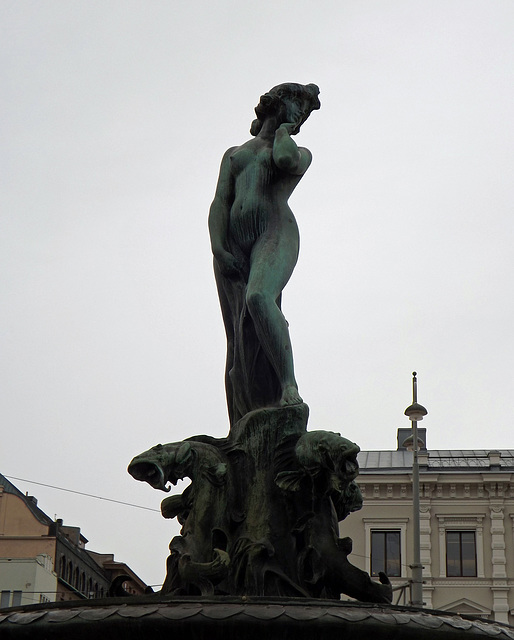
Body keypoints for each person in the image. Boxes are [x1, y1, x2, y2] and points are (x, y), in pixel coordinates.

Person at [209, 83, 320, 425]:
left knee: (259, 298)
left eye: (304, 114)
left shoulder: (298, 151)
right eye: (297, 107)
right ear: (278, 102)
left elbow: (284, 159)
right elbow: (220, 202)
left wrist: (286, 131)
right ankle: (245, 417)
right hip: (232, 245)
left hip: (275, 232)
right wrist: (218, 246)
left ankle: (289, 386)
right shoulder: (235, 153)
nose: (301, 117)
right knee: (239, 339)